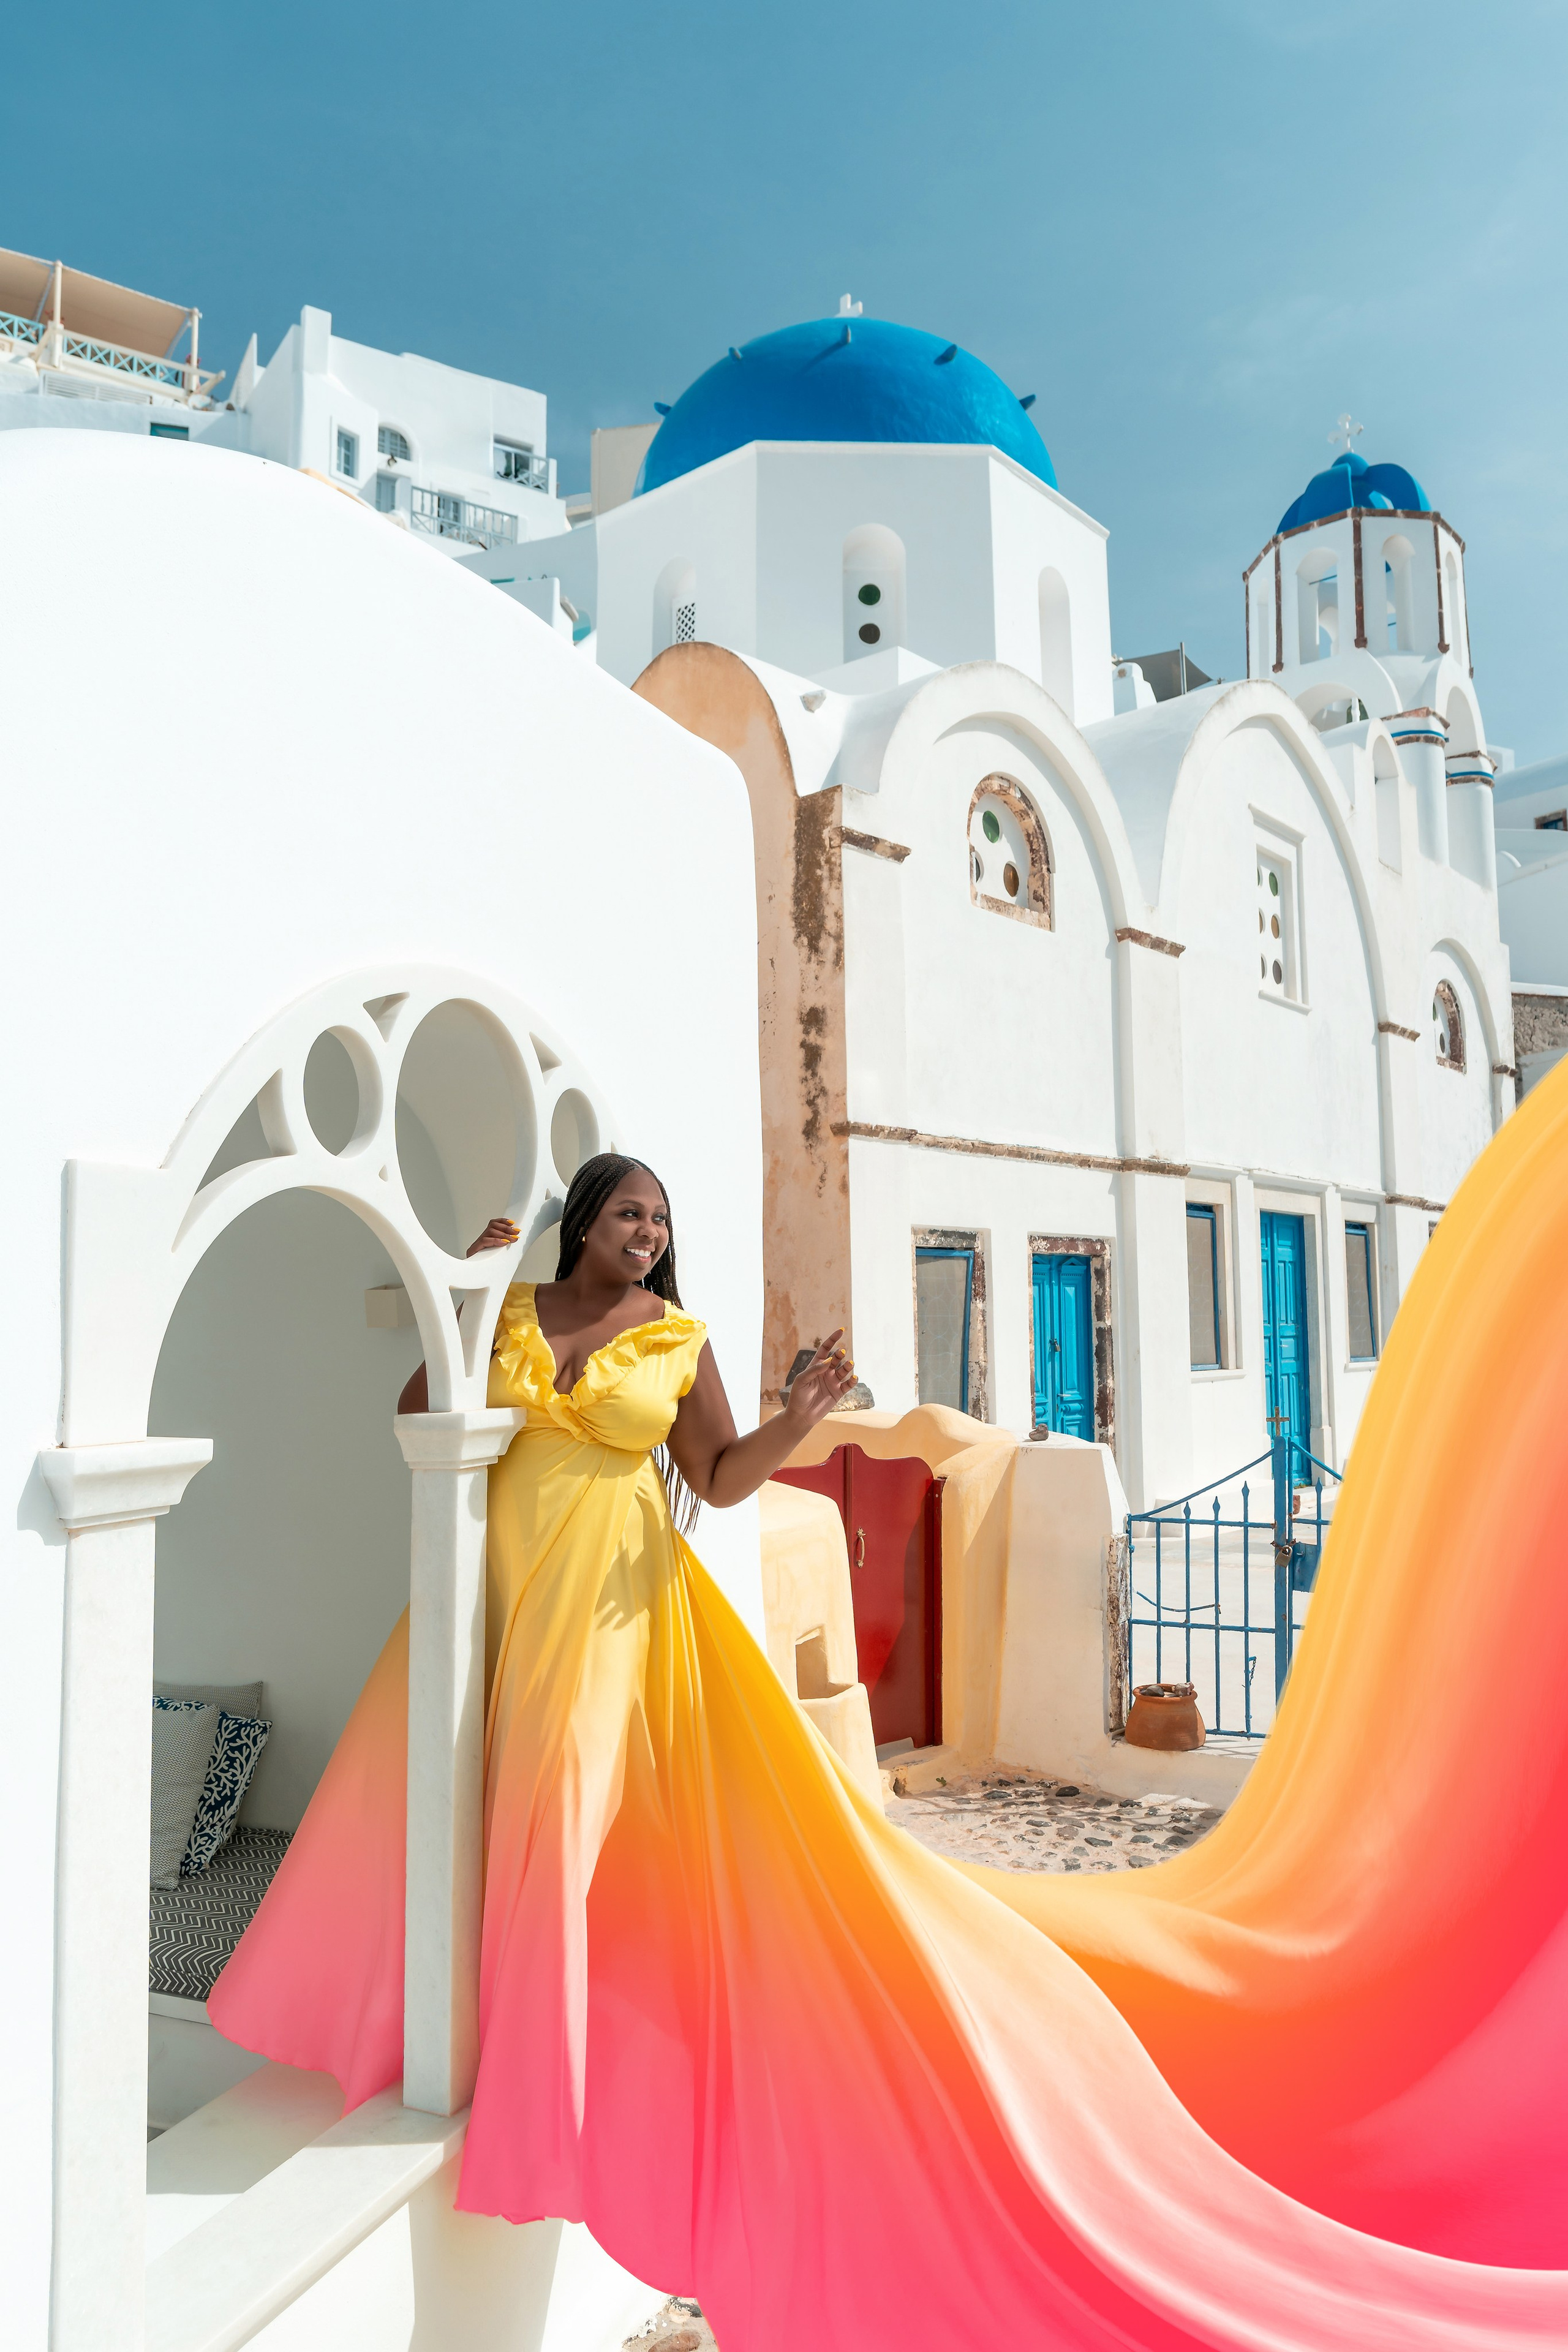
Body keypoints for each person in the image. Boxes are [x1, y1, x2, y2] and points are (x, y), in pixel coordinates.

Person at [210, 1147, 1568, 2351]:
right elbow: (418, 1414)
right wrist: (464, 1298)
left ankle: (530, 2095)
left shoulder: (673, 1334)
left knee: (558, 1823)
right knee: (450, 1805)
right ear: (581, 1220)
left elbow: (725, 1478)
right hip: (498, 1600)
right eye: (627, 1214)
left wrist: (800, 1417)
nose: (643, 1233)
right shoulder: (514, 1310)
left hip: (615, 1609)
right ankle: (430, 2027)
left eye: (656, 1221)